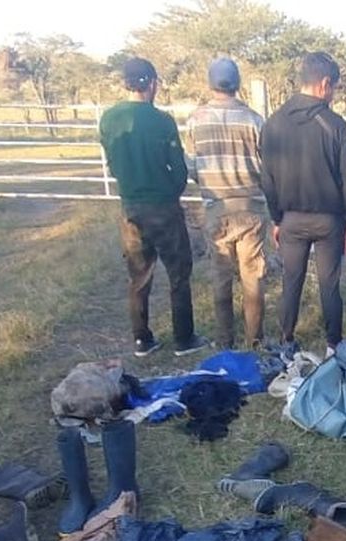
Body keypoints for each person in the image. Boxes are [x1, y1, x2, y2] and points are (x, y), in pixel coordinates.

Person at [99, 57, 208, 358]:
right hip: (163, 207)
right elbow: (178, 169)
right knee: (178, 272)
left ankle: (141, 339)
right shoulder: (161, 121)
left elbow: (111, 161)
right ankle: (183, 338)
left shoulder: (108, 118)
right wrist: (172, 193)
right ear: (152, 83)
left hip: (130, 207)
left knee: (138, 275)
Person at [260, 52, 346, 357]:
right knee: (329, 284)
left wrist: (276, 218)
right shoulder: (335, 125)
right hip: (329, 221)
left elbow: (268, 179)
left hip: (290, 219)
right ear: (324, 84)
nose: (332, 95)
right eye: (333, 88)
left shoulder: (273, 124)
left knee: (291, 280)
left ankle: (287, 341)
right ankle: (334, 345)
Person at [186, 58, 271, 349]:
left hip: (216, 209)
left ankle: (225, 340)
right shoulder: (254, 120)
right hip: (251, 208)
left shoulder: (196, 120)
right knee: (253, 276)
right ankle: (255, 339)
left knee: (221, 275)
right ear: (238, 84)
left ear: (211, 83)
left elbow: (192, 167)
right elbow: (266, 166)